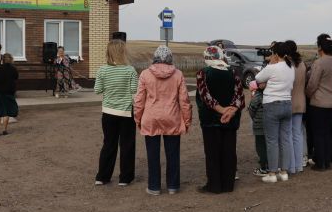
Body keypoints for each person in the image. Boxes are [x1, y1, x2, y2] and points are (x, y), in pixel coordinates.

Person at [133, 46, 192, 196]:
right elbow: (184, 100)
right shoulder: (178, 74)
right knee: (173, 154)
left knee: (152, 154)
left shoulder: (145, 74)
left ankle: (154, 187)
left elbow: (139, 100)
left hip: (151, 118)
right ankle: (173, 186)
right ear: (170, 58)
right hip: (172, 118)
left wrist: (137, 118)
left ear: (155, 57)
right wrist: (187, 120)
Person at [196, 45, 245, 193]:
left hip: (210, 119)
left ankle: (214, 185)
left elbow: (206, 97)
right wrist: (231, 111)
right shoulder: (233, 72)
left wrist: (222, 110)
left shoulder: (203, 73)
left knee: (212, 153)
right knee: (229, 151)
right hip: (231, 120)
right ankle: (228, 184)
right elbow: (240, 96)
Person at [94, 40, 138, 186]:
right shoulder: (130, 70)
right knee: (127, 145)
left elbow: (97, 90)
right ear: (123, 52)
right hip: (126, 113)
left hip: (108, 113)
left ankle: (102, 176)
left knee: (108, 144)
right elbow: (134, 90)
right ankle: (125, 178)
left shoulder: (102, 70)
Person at [254, 42, 295, 182]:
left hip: (272, 105)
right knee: (285, 139)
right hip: (287, 104)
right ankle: (284, 171)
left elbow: (258, 78)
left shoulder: (272, 67)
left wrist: (270, 63)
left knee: (272, 140)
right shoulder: (291, 68)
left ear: (276, 54)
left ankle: (272, 173)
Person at [306, 34, 332, 171]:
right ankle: (327, 161)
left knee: (318, 134)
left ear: (320, 47)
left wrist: (308, 94)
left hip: (319, 103)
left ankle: (320, 162)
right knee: (327, 133)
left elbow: (312, 84)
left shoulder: (319, 63)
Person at [286, 40, 308, 173]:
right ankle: (299, 164)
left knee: (288, 134)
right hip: (301, 100)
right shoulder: (302, 64)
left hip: (289, 101)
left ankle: (291, 166)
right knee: (298, 134)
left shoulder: (288, 65)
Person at [0, 53, 19, 136]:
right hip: (9, 93)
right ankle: (5, 130)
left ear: (2, 60)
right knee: (6, 112)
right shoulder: (13, 69)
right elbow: (16, 78)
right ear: (11, 60)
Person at [248, 80, 268, 176]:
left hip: (259, 125)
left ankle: (264, 167)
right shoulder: (270, 94)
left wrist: (254, 118)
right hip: (270, 124)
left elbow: (251, 109)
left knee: (261, 147)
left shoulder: (258, 96)